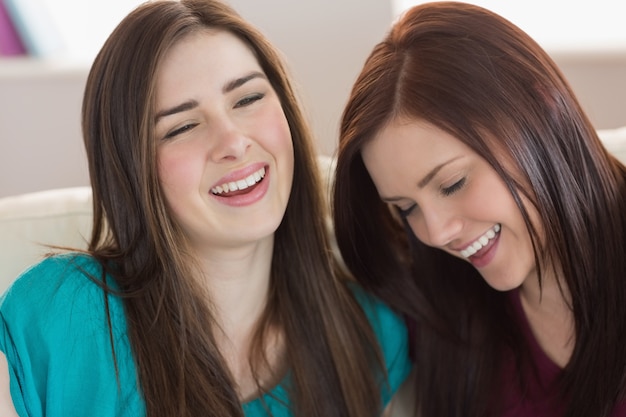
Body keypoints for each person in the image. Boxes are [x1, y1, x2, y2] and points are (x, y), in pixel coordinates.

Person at [0, 1, 412, 416]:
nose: (233, 141)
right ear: (131, 170)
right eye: (182, 126)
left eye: (248, 98)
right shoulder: (54, 317)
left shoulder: (370, 334)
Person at [333, 2, 626, 417]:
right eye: (406, 208)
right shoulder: (437, 307)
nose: (435, 234)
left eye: (453, 183)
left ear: (543, 109)